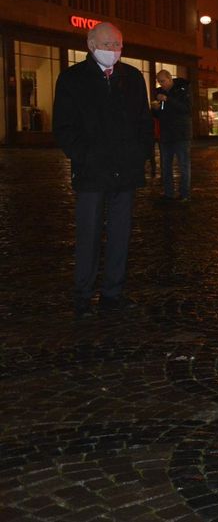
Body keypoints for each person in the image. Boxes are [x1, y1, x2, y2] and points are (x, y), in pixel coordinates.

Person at [54, 22, 153, 318]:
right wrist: (84, 156)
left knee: (121, 234)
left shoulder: (133, 77)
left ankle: (113, 292)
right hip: (91, 172)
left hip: (126, 170)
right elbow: (64, 127)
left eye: (118, 45)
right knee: (89, 234)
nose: (113, 50)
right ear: (90, 43)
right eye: (107, 44)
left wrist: (142, 155)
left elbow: (144, 122)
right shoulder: (73, 79)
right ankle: (82, 295)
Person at [153, 69, 192, 201]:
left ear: (169, 78)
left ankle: (185, 193)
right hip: (166, 135)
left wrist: (168, 99)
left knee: (183, 166)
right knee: (166, 167)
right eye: (159, 81)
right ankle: (168, 193)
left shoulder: (182, 89)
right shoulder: (159, 92)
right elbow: (159, 115)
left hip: (181, 135)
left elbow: (186, 109)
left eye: (163, 81)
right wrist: (155, 109)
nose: (161, 84)